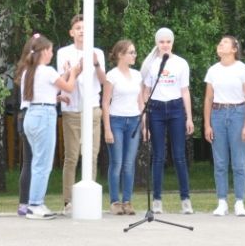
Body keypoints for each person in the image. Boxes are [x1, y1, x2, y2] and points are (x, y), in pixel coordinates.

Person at [21, 35, 81, 219]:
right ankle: (35, 204)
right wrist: (74, 73)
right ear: (44, 52)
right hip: (44, 117)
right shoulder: (47, 71)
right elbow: (69, 87)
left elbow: (48, 89)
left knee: (37, 161)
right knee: (43, 164)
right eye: (50, 50)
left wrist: (65, 76)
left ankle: (34, 202)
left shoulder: (28, 72)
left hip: (31, 115)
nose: (52, 53)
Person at [55, 14, 106, 214]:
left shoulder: (97, 52)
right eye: (78, 28)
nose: (82, 31)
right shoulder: (63, 53)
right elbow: (61, 79)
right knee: (71, 157)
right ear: (72, 32)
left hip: (92, 107)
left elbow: (102, 81)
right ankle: (68, 201)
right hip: (72, 109)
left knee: (91, 155)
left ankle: (90, 197)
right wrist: (73, 70)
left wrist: (95, 64)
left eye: (85, 28)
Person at [140, 27, 194, 215]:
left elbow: (185, 91)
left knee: (179, 156)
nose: (165, 45)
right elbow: (145, 92)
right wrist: (145, 121)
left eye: (168, 41)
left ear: (172, 43)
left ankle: (185, 199)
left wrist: (189, 117)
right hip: (156, 109)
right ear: (157, 43)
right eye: (161, 41)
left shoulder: (181, 63)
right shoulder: (151, 65)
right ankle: (157, 200)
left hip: (176, 109)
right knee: (158, 156)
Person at [204, 35, 245, 217]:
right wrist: (207, 124)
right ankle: (222, 201)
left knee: (239, 161)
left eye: (224, 43)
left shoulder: (243, 70)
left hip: (238, 113)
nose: (220, 45)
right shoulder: (213, 71)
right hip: (218, 114)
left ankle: (239, 201)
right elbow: (208, 98)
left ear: (234, 49)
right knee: (220, 162)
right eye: (219, 43)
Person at [102, 39, 144, 216]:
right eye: (131, 52)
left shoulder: (137, 75)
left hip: (134, 120)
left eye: (134, 52)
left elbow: (141, 101)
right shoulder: (112, 75)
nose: (134, 55)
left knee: (129, 163)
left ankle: (127, 201)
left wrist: (144, 124)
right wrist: (107, 128)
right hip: (116, 120)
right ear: (120, 55)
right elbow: (105, 103)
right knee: (117, 162)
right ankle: (114, 201)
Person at [13, 33, 43, 217]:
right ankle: (34, 201)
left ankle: (23, 203)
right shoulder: (37, 71)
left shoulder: (22, 70)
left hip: (23, 116)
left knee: (28, 162)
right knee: (36, 162)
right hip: (34, 115)